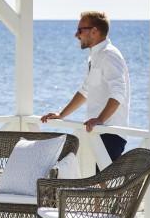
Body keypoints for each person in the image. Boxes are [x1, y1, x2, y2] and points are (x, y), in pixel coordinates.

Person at [41, 11, 130, 168]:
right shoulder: (95, 56)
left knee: (104, 182)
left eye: (79, 30)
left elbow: (119, 91)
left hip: (110, 134)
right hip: (96, 132)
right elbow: (85, 91)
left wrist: (100, 119)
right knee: (92, 181)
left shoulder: (109, 55)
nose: (76, 35)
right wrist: (61, 115)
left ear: (94, 31)